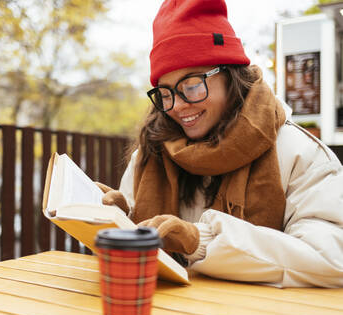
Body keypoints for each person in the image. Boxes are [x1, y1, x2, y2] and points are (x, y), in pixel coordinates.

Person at [97, 0, 343, 288]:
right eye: (165, 93)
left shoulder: (299, 153)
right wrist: (118, 220)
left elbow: (330, 258)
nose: (177, 106)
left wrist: (199, 241)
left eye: (191, 86)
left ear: (231, 76)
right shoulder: (150, 154)